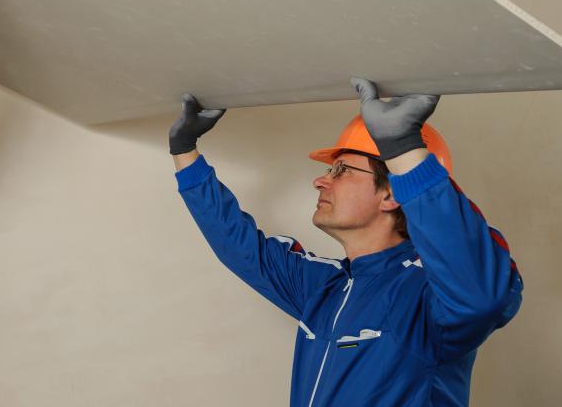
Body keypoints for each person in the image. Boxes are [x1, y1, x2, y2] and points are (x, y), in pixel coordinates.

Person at [169, 77, 523, 406]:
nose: (320, 182)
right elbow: (240, 247)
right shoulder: (326, 286)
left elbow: (482, 296)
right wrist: (184, 151)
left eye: (341, 171)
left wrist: (403, 148)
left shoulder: (424, 295)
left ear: (391, 195)